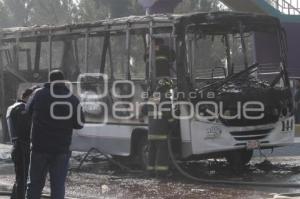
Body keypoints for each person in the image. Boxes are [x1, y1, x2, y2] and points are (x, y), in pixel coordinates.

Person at [26, 70, 84, 199]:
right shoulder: (72, 99)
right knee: (58, 186)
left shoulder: (38, 94)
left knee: (35, 185)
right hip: (61, 150)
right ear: (63, 81)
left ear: (49, 80)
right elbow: (79, 124)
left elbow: (27, 110)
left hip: (39, 148)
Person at [6, 88, 35, 199]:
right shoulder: (21, 108)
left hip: (17, 145)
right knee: (22, 179)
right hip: (22, 146)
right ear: (28, 96)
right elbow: (26, 129)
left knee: (20, 178)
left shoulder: (13, 107)